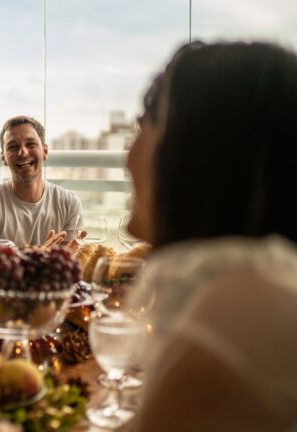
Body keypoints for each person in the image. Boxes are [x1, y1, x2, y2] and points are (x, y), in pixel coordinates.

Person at [125, 42, 297, 431]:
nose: (129, 156)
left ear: (195, 154)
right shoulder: (260, 285)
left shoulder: (241, 311)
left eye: (143, 129)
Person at [0, 115, 83, 247]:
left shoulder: (69, 203)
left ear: (45, 151)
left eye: (31, 144)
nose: (23, 152)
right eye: (13, 147)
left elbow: (70, 260)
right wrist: (41, 253)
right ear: (3, 157)